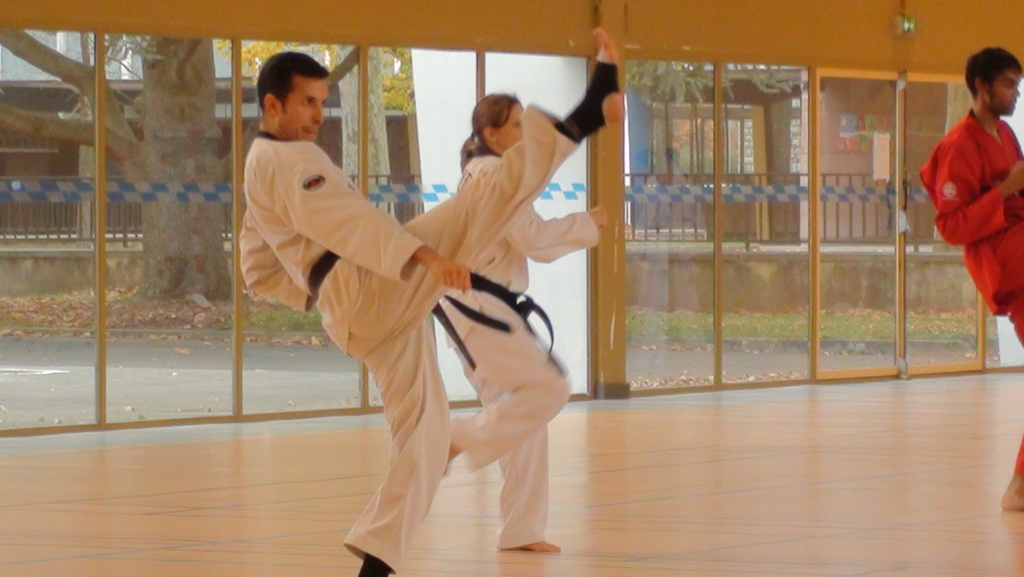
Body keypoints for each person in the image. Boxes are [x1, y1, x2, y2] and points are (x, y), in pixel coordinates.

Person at [239, 28, 623, 576]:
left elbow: (255, 265)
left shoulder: (263, 166)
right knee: (478, 206)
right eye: (307, 102)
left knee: (427, 435)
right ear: (272, 105)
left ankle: (377, 562)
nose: (319, 114)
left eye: (323, 102)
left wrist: (314, 295)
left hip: (362, 307)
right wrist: (423, 257)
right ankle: (586, 114)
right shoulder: (288, 160)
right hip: (368, 286)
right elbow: (351, 222)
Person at [441, 87, 611, 554]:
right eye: (515, 124)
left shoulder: (490, 172)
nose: (522, 133)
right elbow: (532, 238)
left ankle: (521, 529)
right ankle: (454, 438)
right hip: (478, 305)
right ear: (490, 133)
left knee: (522, 417)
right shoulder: (494, 175)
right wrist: (588, 222)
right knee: (546, 390)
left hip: (482, 305)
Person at [919, 46, 1024, 512]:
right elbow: (951, 225)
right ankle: (1019, 487)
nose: (1015, 94)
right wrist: (1005, 190)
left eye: (1018, 85)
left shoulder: (1006, 134)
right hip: (1007, 261)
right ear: (981, 87)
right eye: (1008, 84)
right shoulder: (959, 146)